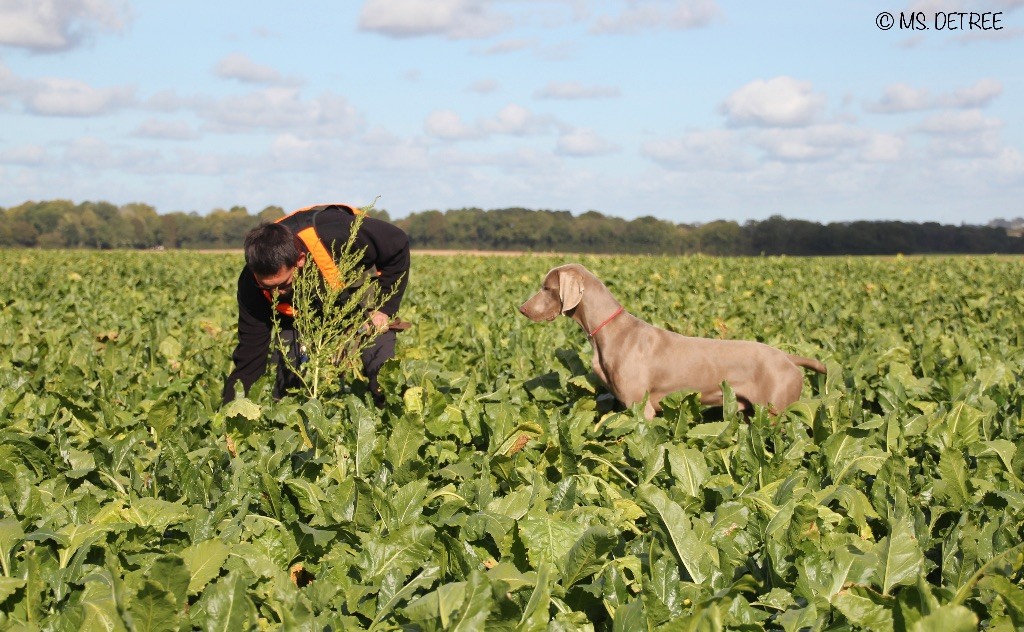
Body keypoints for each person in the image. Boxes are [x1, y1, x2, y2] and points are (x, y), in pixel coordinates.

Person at [222, 203, 410, 407]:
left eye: (283, 284)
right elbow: (250, 358)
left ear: (300, 260)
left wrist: (384, 308)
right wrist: (231, 415)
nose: (276, 293)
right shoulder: (251, 286)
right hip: (297, 317)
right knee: (286, 386)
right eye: (268, 287)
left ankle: (388, 417)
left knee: (382, 374)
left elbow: (397, 244)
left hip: (356, 297)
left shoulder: (338, 234)